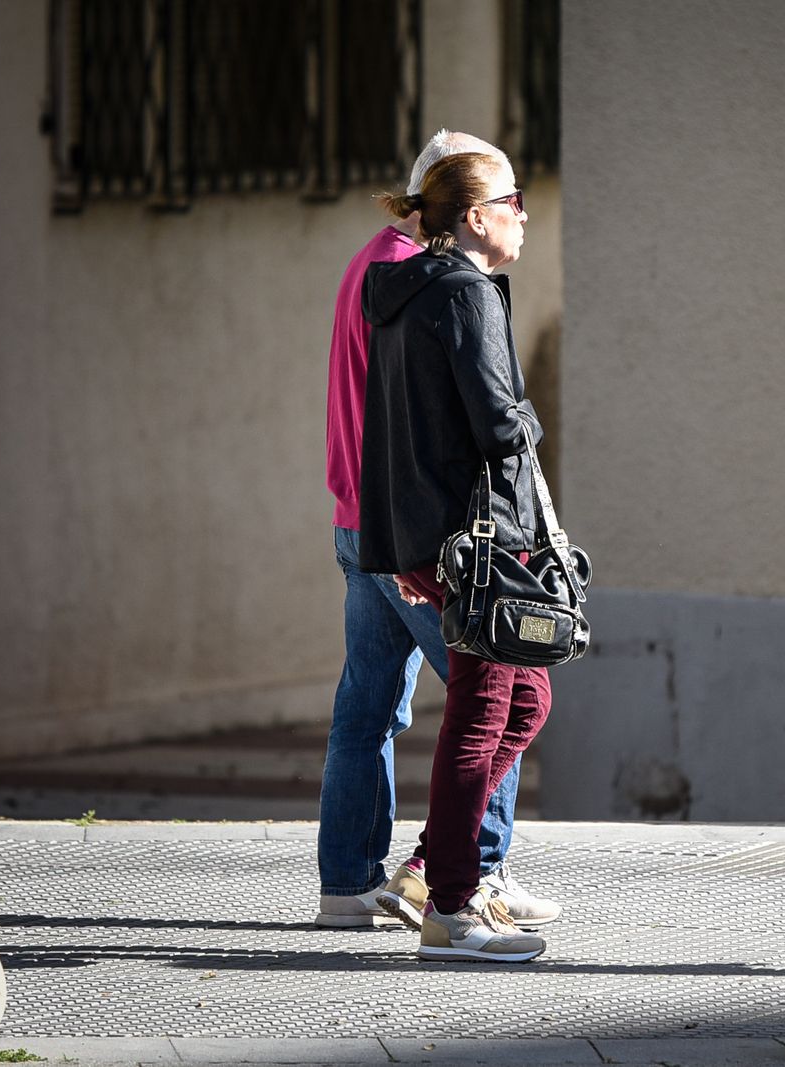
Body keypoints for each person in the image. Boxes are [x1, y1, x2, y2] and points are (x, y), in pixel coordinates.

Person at [316, 130, 558, 932]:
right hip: (454, 538)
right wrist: (527, 422)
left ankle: (359, 884)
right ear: (471, 210)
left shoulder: (382, 276)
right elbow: (491, 425)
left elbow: (383, 428)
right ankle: (459, 884)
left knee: (381, 709)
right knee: (481, 700)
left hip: (379, 523)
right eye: (513, 201)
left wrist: (390, 543)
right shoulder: (454, 290)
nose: (525, 216)